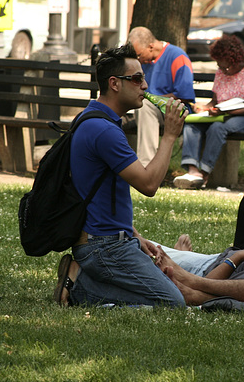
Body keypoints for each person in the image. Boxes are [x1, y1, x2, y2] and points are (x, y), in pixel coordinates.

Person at [52, 43, 189, 308]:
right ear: (114, 83)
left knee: (169, 292)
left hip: (109, 240)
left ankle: (83, 277)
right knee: (172, 304)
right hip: (103, 247)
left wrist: (134, 235)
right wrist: (170, 135)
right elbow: (149, 185)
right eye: (137, 79)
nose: (145, 86)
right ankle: (80, 285)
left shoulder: (95, 119)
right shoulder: (104, 131)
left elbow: (100, 192)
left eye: (144, 77)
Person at [173, 34, 244, 189]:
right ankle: (193, 171)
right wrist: (204, 107)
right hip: (221, 115)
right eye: (219, 66)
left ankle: (205, 173)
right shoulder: (220, 73)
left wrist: (222, 113)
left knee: (218, 128)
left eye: (226, 67)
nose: (223, 70)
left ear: (235, 60)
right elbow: (215, 102)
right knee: (191, 124)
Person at [126, 27, 195, 167]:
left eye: (139, 55)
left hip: (173, 111)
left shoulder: (177, 56)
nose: (137, 59)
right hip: (145, 111)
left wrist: (153, 99)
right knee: (106, 116)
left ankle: (146, 166)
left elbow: (184, 95)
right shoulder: (143, 62)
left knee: (145, 107)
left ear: (150, 47)